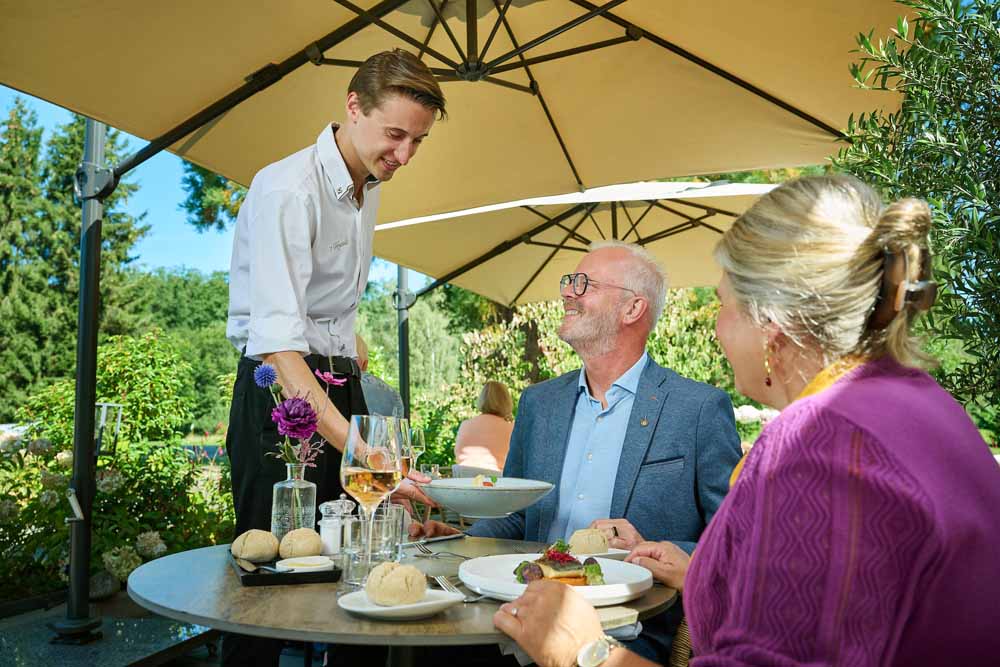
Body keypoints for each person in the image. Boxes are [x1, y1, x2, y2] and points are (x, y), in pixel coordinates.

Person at [495, 176, 1000, 666]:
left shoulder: (819, 449)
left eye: (723, 304)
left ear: (770, 322)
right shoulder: (922, 403)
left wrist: (585, 652)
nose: (716, 328)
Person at [223, 49, 446, 667]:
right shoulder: (287, 190)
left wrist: (351, 350)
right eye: (395, 134)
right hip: (278, 394)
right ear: (353, 107)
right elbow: (278, 346)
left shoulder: (366, 186)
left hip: (336, 386)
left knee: (361, 564)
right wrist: (363, 450)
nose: (403, 155)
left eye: (417, 140)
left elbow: (322, 312)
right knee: (271, 577)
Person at [417, 240, 742, 662]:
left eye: (583, 283)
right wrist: (459, 539)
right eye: (569, 281)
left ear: (632, 309)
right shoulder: (538, 402)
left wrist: (654, 546)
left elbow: (734, 541)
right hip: (517, 609)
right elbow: (517, 517)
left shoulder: (698, 408)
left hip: (626, 630)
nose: (567, 292)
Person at [454, 381, 515, 471]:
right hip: (498, 483)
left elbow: (459, 457)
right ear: (506, 401)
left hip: (465, 481)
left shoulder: (465, 425)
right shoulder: (512, 429)